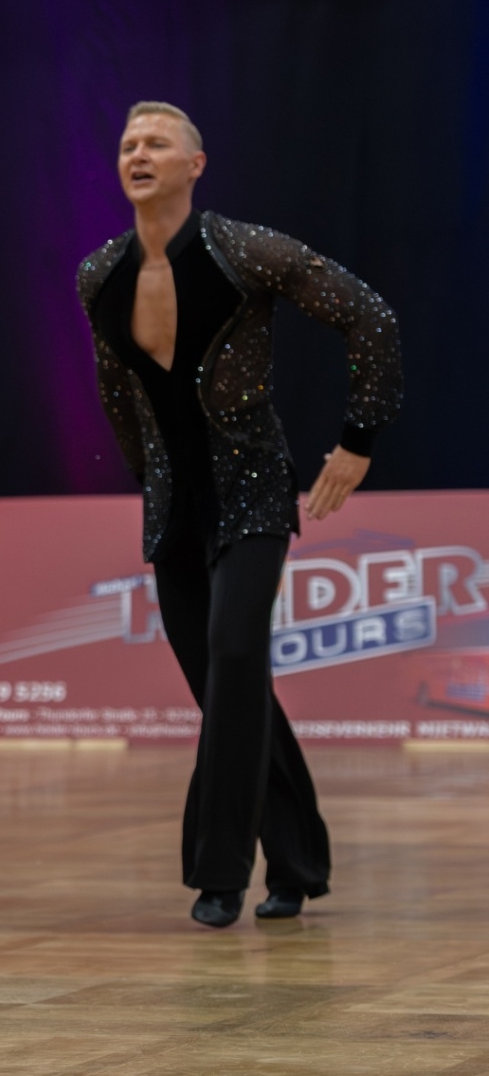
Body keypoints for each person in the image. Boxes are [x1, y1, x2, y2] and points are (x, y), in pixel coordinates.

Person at [79, 101, 402, 928]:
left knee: (233, 656)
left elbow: (370, 316)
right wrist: (145, 477)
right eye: (128, 143)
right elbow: (115, 388)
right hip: (172, 508)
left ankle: (218, 873)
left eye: (157, 143)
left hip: (252, 492)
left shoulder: (243, 249)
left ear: (195, 164)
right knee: (228, 685)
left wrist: (357, 443)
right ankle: (297, 863)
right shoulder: (99, 273)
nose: (138, 153)